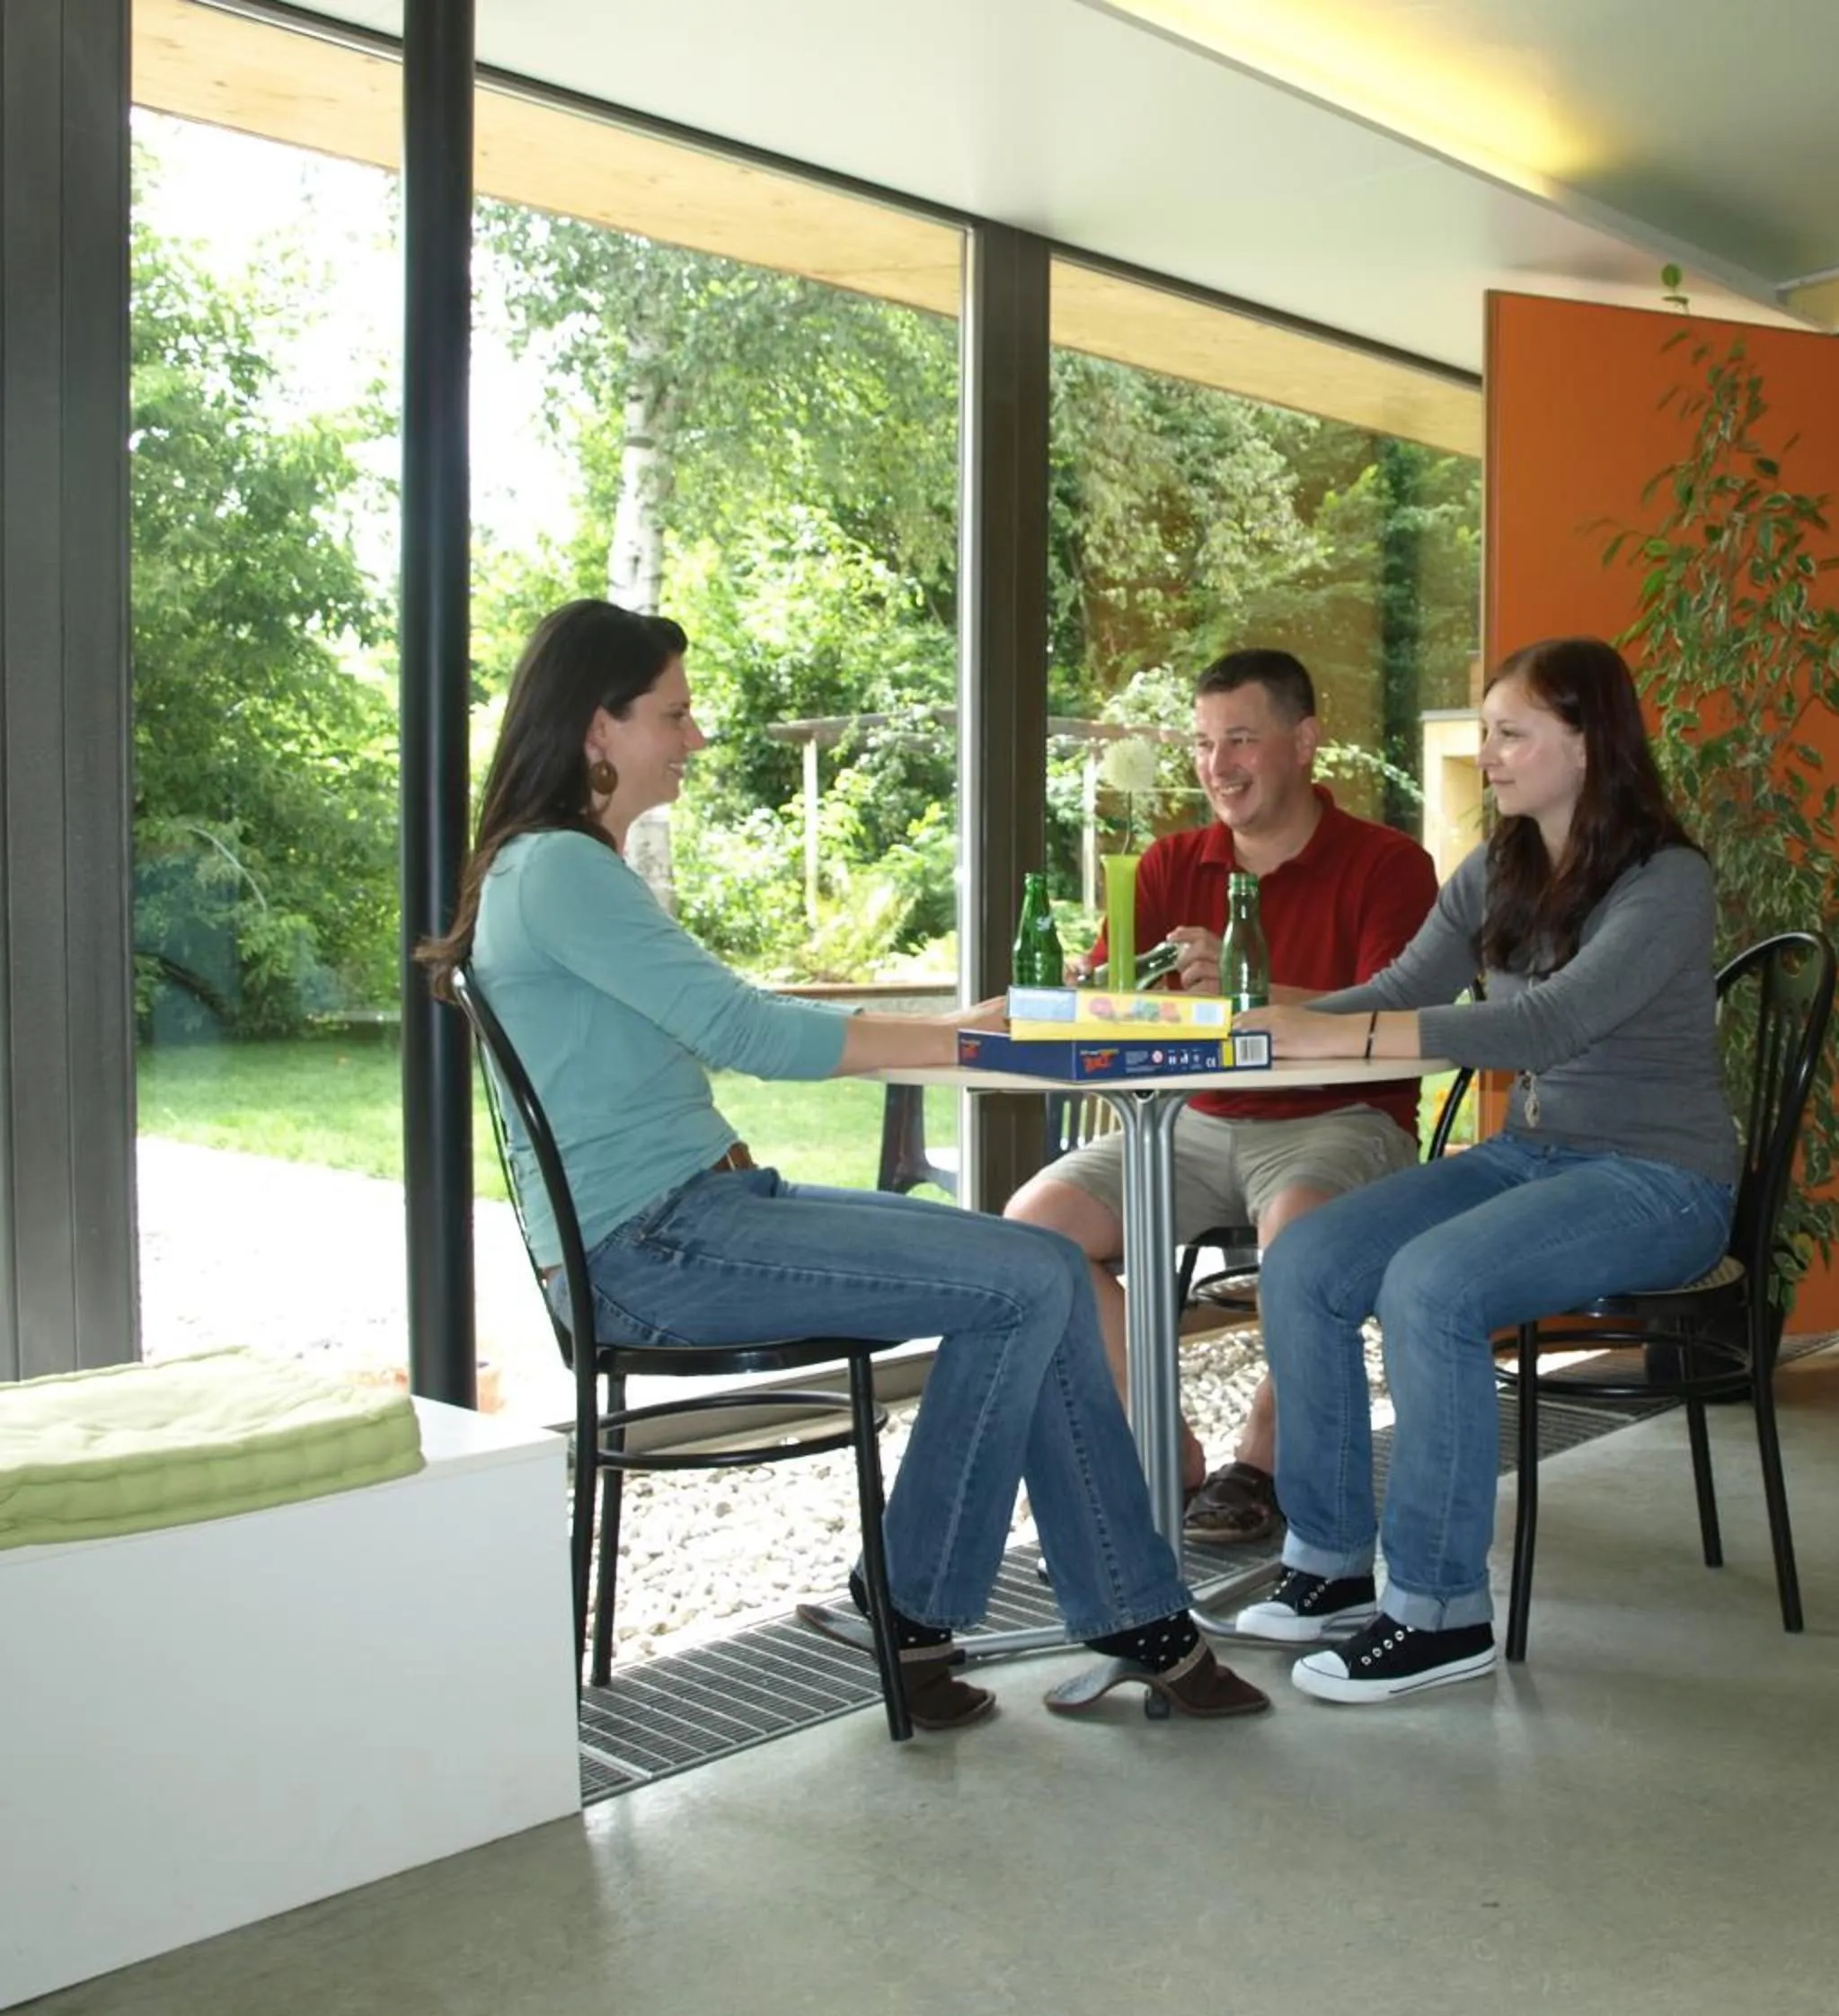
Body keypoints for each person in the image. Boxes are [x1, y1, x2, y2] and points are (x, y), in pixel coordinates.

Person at [416, 598, 1266, 1728]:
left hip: (693, 1217)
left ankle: (1018, 1610)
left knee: (1035, 1273)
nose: (696, 737)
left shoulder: (562, 869)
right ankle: (972, 1608)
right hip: (654, 1248)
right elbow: (752, 1035)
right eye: (674, 713)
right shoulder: (560, 873)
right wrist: (976, 1037)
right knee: (1033, 1275)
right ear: (595, 728)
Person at [1232, 637, 1738, 1705]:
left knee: (1433, 1286)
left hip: (1660, 1180)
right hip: (1534, 1157)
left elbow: (1546, 1025)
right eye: (1489, 732)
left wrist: (1339, 1044)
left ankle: (1438, 1610)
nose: (1491, 755)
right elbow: (1402, 984)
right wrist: (1270, 1024)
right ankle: (1329, 1565)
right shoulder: (1501, 863)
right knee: (1310, 1260)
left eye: (1513, 734)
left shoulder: (1668, 881)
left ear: (1590, 744)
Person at [1007, 649, 1438, 1545]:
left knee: (1299, 1236)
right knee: (1033, 1228)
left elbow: (1403, 1020)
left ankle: (1267, 1458)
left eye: (1240, 739)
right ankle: (1163, 1447)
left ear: (1306, 741)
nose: (1217, 765)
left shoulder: (1389, 864)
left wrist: (1255, 996)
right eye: (1204, 744)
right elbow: (1095, 1001)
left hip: (1342, 1119)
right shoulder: (1172, 864)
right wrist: (1133, 997)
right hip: (1192, 1119)